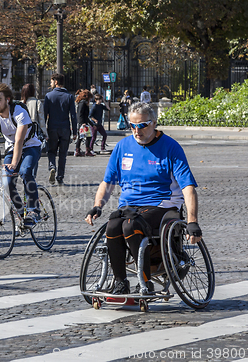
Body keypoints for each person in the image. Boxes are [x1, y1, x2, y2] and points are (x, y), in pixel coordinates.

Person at [84, 102, 202, 295]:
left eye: (142, 125)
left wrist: (192, 221)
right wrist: (97, 206)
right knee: (113, 226)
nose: (136, 130)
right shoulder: (123, 146)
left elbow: (188, 187)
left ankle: (145, 281)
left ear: (154, 123)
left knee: (131, 225)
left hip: (163, 204)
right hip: (130, 206)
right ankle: (120, 282)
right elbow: (108, 183)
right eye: (132, 125)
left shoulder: (171, 147)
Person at [0, 83, 42, 227]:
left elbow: (19, 140)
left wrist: (14, 163)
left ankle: (34, 211)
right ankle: (22, 212)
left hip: (31, 146)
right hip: (12, 148)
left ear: (7, 100)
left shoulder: (20, 112)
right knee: (6, 182)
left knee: (25, 171)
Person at [44, 73, 77, 186]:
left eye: (51, 81)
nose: (50, 83)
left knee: (51, 151)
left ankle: (52, 166)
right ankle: (60, 177)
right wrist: (75, 132)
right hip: (65, 128)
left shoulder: (48, 96)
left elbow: (44, 114)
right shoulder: (69, 96)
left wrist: (43, 130)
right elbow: (73, 115)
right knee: (63, 154)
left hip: (52, 127)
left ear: (56, 82)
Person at [74, 89, 94, 157]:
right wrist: (82, 122)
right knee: (85, 136)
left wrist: (91, 124)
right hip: (82, 123)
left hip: (83, 122)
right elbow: (80, 114)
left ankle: (78, 150)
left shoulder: (83, 103)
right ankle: (84, 151)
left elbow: (85, 115)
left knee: (82, 137)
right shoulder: (83, 103)